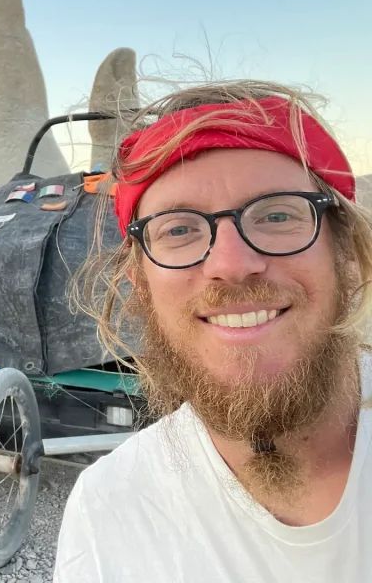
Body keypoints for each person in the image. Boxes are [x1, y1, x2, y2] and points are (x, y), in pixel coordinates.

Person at [53, 81, 372, 582]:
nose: (231, 264)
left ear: (346, 249)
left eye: (277, 214)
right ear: (138, 282)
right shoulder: (109, 513)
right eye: (179, 229)